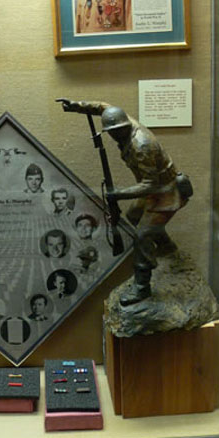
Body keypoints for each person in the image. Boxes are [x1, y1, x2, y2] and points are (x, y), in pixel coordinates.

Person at [57, 98, 193, 305]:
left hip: (166, 192)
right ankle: (167, 249)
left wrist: (118, 194)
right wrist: (76, 106)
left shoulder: (142, 145)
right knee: (133, 216)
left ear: (125, 127)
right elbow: (103, 107)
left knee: (142, 235)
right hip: (153, 189)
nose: (112, 135)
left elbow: (150, 184)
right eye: (110, 131)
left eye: (116, 131)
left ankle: (142, 287)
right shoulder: (122, 120)